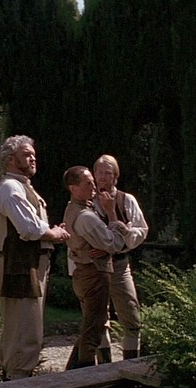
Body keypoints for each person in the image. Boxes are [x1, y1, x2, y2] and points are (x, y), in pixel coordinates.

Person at [0, 135, 70, 380]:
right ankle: (15, 387)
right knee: (23, 332)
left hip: (30, 264)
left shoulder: (23, 187)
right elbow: (28, 228)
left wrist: (51, 232)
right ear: (10, 159)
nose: (33, 158)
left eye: (33, 154)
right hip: (18, 266)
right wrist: (54, 233)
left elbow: (33, 226)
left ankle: (14, 383)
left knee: (27, 329)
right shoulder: (11, 188)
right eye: (26, 155)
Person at [62, 166, 128, 368]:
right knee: (94, 330)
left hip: (85, 272)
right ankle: (83, 374)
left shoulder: (73, 209)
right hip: (94, 274)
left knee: (91, 326)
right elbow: (114, 244)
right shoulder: (85, 217)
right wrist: (112, 214)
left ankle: (71, 372)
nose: (94, 186)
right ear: (73, 188)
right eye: (88, 183)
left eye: (93, 181)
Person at [92, 154, 149, 361]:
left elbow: (141, 230)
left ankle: (130, 363)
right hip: (94, 266)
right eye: (99, 172)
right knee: (98, 318)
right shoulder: (87, 201)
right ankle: (104, 365)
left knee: (131, 316)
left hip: (119, 264)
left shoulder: (126, 200)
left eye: (108, 173)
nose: (102, 177)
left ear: (115, 177)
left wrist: (125, 233)